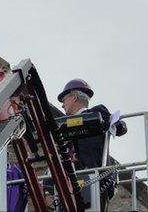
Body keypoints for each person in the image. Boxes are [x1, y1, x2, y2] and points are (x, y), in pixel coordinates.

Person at [57, 79, 127, 211]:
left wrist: (114, 123)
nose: (62, 105)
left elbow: (121, 128)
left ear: (74, 97)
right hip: (73, 179)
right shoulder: (63, 125)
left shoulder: (96, 113)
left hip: (94, 176)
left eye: (64, 100)